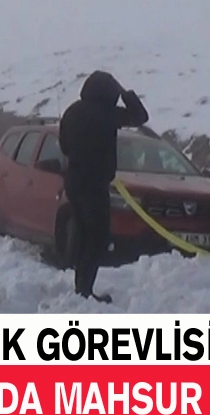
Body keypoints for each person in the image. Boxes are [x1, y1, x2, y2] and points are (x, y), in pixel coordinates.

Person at [58, 71, 149, 303]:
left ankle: (81, 288)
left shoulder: (71, 111)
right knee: (97, 237)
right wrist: (126, 93)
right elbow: (140, 117)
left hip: (73, 181)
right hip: (94, 184)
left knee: (83, 233)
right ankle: (84, 291)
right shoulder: (108, 113)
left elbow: (64, 146)